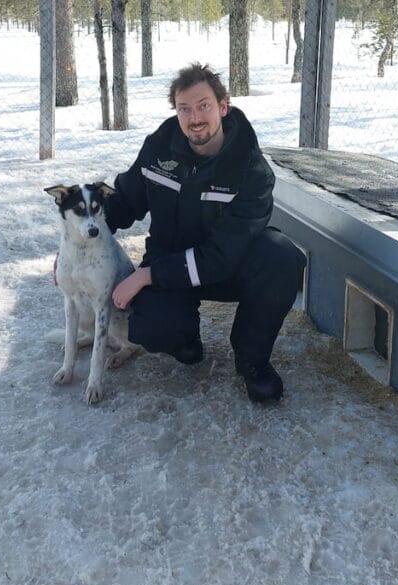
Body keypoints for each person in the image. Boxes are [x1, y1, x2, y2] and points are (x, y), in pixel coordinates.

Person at [106, 62, 305, 403]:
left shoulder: (250, 168)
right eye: (185, 109)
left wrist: (147, 275)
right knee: (152, 328)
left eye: (204, 106)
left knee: (282, 257)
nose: (194, 117)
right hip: (171, 261)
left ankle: (252, 360)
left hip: (229, 268)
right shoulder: (159, 148)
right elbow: (123, 200)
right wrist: (79, 240)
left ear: (223, 107)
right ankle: (185, 340)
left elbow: (222, 255)